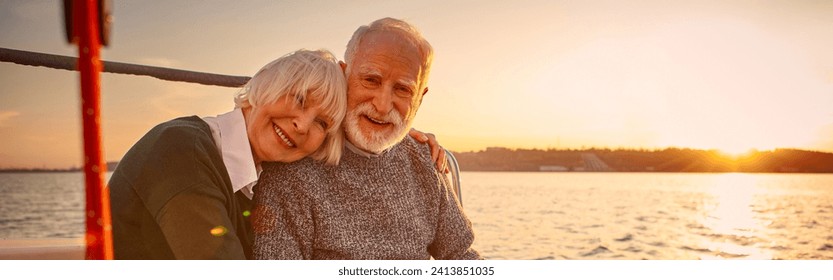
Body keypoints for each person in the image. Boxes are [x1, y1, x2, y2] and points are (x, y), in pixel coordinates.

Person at [253, 18, 481, 260]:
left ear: (420, 99)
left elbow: (461, 256)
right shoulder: (293, 169)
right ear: (344, 74)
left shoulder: (425, 159)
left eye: (403, 89)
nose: (382, 106)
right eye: (371, 80)